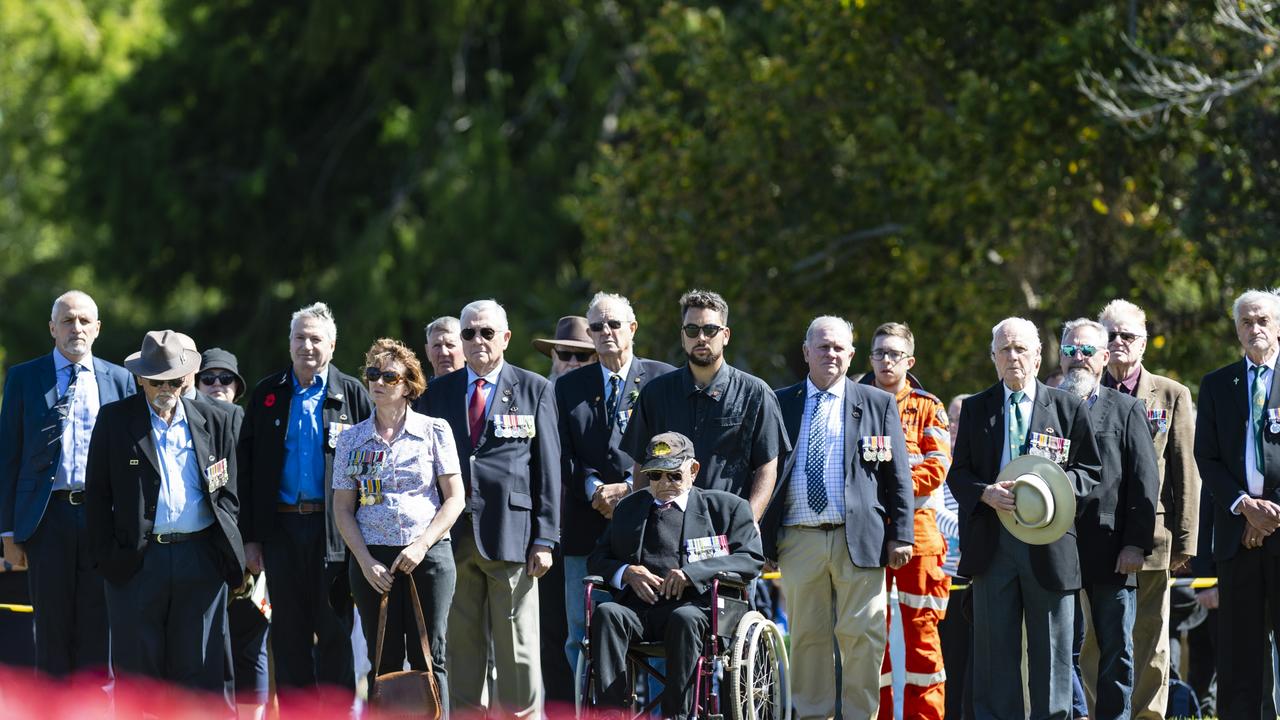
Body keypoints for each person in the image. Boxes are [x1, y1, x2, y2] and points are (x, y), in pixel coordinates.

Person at [947, 316, 1101, 719]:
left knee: (1052, 655)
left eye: (1021, 349)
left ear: (1037, 357)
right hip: (992, 544)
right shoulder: (977, 408)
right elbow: (957, 473)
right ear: (993, 358)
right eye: (1004, 350)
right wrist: (985, 493)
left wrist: (1055, 491)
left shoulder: (1066, 406)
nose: (1013, 357)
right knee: (995, 654)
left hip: (1050, 545)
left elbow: (1091, 472)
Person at [761, 315, 914, 719]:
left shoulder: (877, 403)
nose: (831, 353)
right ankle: (814, 715)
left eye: (839, 347)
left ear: (850, 355)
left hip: (860, 540)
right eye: (823, 346)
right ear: (806, 352)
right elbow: (763, 471)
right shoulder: (779, 402)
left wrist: (902, 534)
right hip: (798, 539)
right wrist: (762, 540)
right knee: (808, 640)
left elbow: (898, 476)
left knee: (863, 640)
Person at [84, 330, 244, 709]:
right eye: (157, 381)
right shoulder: (115, 420)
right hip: (137, 562)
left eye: (174, 380)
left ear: (187, 377)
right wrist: (109, 557)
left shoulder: (216, 418)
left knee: (201, 675)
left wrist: (223, 549)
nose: (166, 388)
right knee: (139, 678)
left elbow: (229, 492)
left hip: (201, 558)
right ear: (141, 378)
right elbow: (97, 498)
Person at [419, 299, 560, 717]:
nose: (477, 340)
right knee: (461, 650)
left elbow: (549, 469)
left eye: (486, 332)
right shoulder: (436, 393)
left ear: (506, 338)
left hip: (512, 535)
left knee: (518, 653)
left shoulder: (535, 388)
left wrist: (546, 537)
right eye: (469, 333)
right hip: (452, 536)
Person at [238, 301, 373, 693]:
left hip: (335, 531)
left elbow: (373, 468)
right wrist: (251, 538)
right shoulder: (267, 394)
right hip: (280, 530)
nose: (307, 346)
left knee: (334, 630)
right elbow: (246, 471)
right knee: (288, 633)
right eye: (300, 337)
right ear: (289, 342)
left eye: (316, 338)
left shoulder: (353, 394)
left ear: (332, 345)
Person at [0, 290, 134, 680]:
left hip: (101, 519)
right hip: (46, 520)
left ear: (98, 328)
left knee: (101, 634)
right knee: (52, 633)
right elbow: (8, 456)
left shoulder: (122, 380)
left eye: (84, 320)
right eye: (67, 320)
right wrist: (8, 532)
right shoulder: (24, 378)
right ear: (52, 328)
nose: (76, 327)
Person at [588, 431, 763, 719]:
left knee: (685, 618)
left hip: (697, 610)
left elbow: (750, 559)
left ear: (693, 470)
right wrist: (627, 572)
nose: (663, 484)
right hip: (640, 610)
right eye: (655, 476)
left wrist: (692, 574)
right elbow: (597, 559)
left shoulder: (726, 508)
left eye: (673, 475)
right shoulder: (630, 509)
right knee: (607, 613)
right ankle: (610, 712)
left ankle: (678, 714)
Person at [333, 338, 464, 713]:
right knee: (383, 661)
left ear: (408, 384)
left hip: (428, 554)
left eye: (389, 376)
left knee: (429, 657)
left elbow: (455, 498)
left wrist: (422, 545)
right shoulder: (351, 439)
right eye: (373, 374)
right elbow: (342, 508)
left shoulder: (434, 430)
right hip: (374, 560)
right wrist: (364, 561)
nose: (378, 382)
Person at [555, 292, 675, 681]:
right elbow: (561, 452)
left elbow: (672, 445)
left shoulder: (662, 379)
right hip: (585, 524)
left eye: (613, 324)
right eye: (596, 326)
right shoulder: (568, 387)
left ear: (632, 329)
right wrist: (593, 488)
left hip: (650, 525)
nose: (605, 332)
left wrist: (628, 487)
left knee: (658, 630)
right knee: (581, 634)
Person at [1096, 298, 1200, 720]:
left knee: (1150, 641)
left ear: (1143, 344)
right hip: (1093, 539)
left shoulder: (1172, 394)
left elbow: (1185, 471)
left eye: (1128, 335)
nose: (1119, 342)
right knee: (1093, 640)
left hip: (1155, 539)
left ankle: (1147, 717)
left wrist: (1187, 540)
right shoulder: (1083, 389)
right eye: (1111, 335)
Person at [1056, 319, 1159, 719]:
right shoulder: (1045, 404)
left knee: (1117, 648)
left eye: (1086, 351)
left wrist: (1135, 544)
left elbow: (1144, 481)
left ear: (1103, 357)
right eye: (1069, 351)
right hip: (1057, 546)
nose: (1077, 359)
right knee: (1063, 644)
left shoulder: (1127, 408)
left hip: (1113, 548)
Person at [621, 289, 788, 519]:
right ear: (682, 336)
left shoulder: (756, 393)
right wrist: (637, 521)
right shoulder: (655, 393)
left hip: (726, 528)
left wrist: (749, 523)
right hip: (665, 526)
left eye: (710, 329)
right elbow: (641, 463)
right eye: (692, 329)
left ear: (726, 335)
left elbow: (767, 467)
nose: (701, 338)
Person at [1193, 288, 1280, 717]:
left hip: (1279, 528)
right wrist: (1245, 505)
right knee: (1238, 655)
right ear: (1236, 330)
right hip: (1235, 536)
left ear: (1278, 326)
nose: (1255, 328)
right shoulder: (1215, 385)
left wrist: (1269, 516)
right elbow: (1205, 456)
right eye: (1246, 322)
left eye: (1263, 320)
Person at [860, 322, 951, 719]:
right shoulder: (854, 402)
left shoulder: (929, 407)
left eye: (893, 353)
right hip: (867, 533)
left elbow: (937, 466)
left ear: (909, 360)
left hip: (920, 532)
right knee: (868, 639)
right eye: (878, 353)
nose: (884, 360)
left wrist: (887, 490)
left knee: (923, 639)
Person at [196, 348, 268, 719]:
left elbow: (256, 488)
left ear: (237, 387)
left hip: (246, 548)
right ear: (194, 383)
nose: (217, 385)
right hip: (201, 551)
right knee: (209, 645)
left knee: (251, 643)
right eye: (208, 378)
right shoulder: (184, 421)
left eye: (226, 379)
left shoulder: (245, 420)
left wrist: (253, 548)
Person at [936, 393, 972, 720]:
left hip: (978, 580)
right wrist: (974, 531)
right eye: (952, 420)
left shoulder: (981, 463)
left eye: (965, 420)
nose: (958, 427)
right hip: (945, 583)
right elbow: (935, 514)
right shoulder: (939, 464)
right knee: (949, 666)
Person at [533, 315, 598, 379]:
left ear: (594, 359)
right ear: (554, 356)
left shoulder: (605, 389)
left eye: (581, 356)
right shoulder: (541, 389)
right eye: (565, 355)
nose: (573, 363)